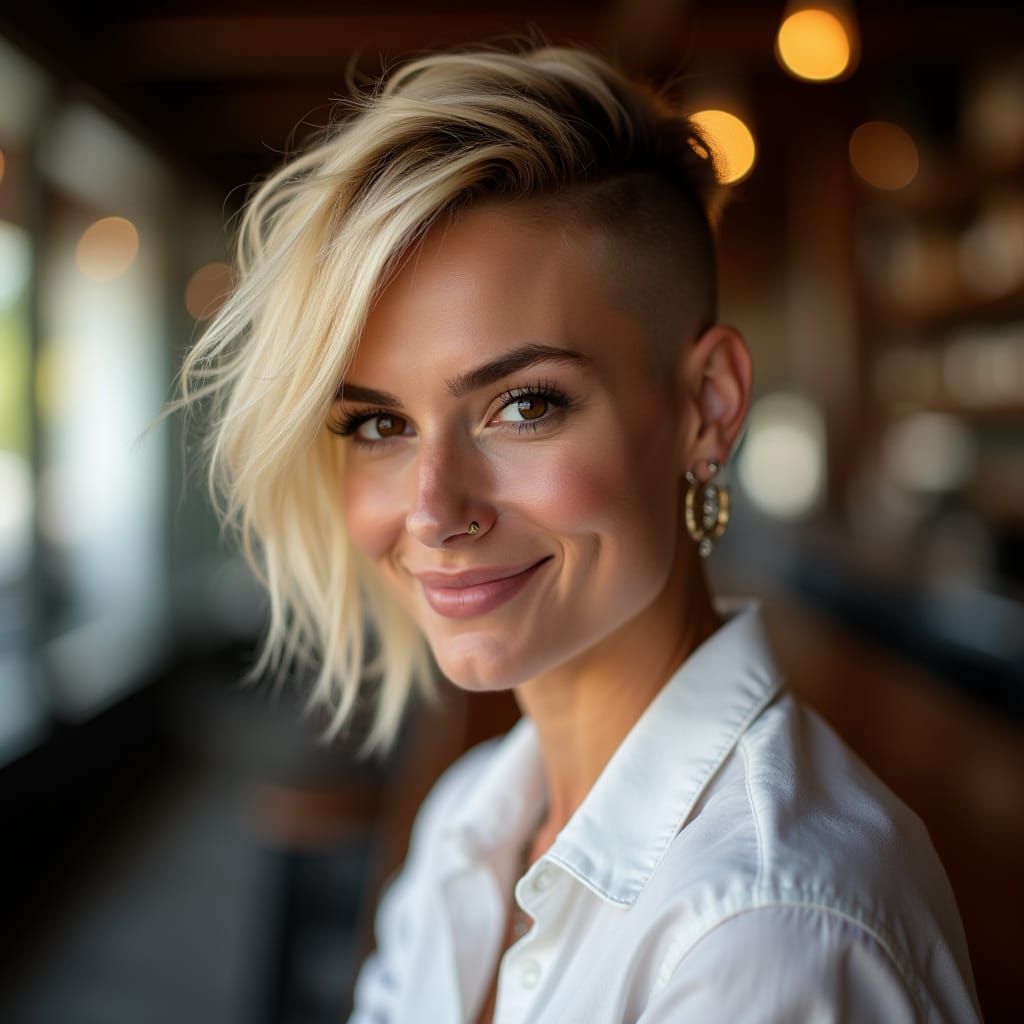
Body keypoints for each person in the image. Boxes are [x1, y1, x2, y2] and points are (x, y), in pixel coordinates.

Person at [168, 35, 982, 1023]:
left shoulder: (764, 940)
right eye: (378, 422)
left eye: (523, 405)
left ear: (706, 407)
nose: (432, 508)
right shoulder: (474, 814)